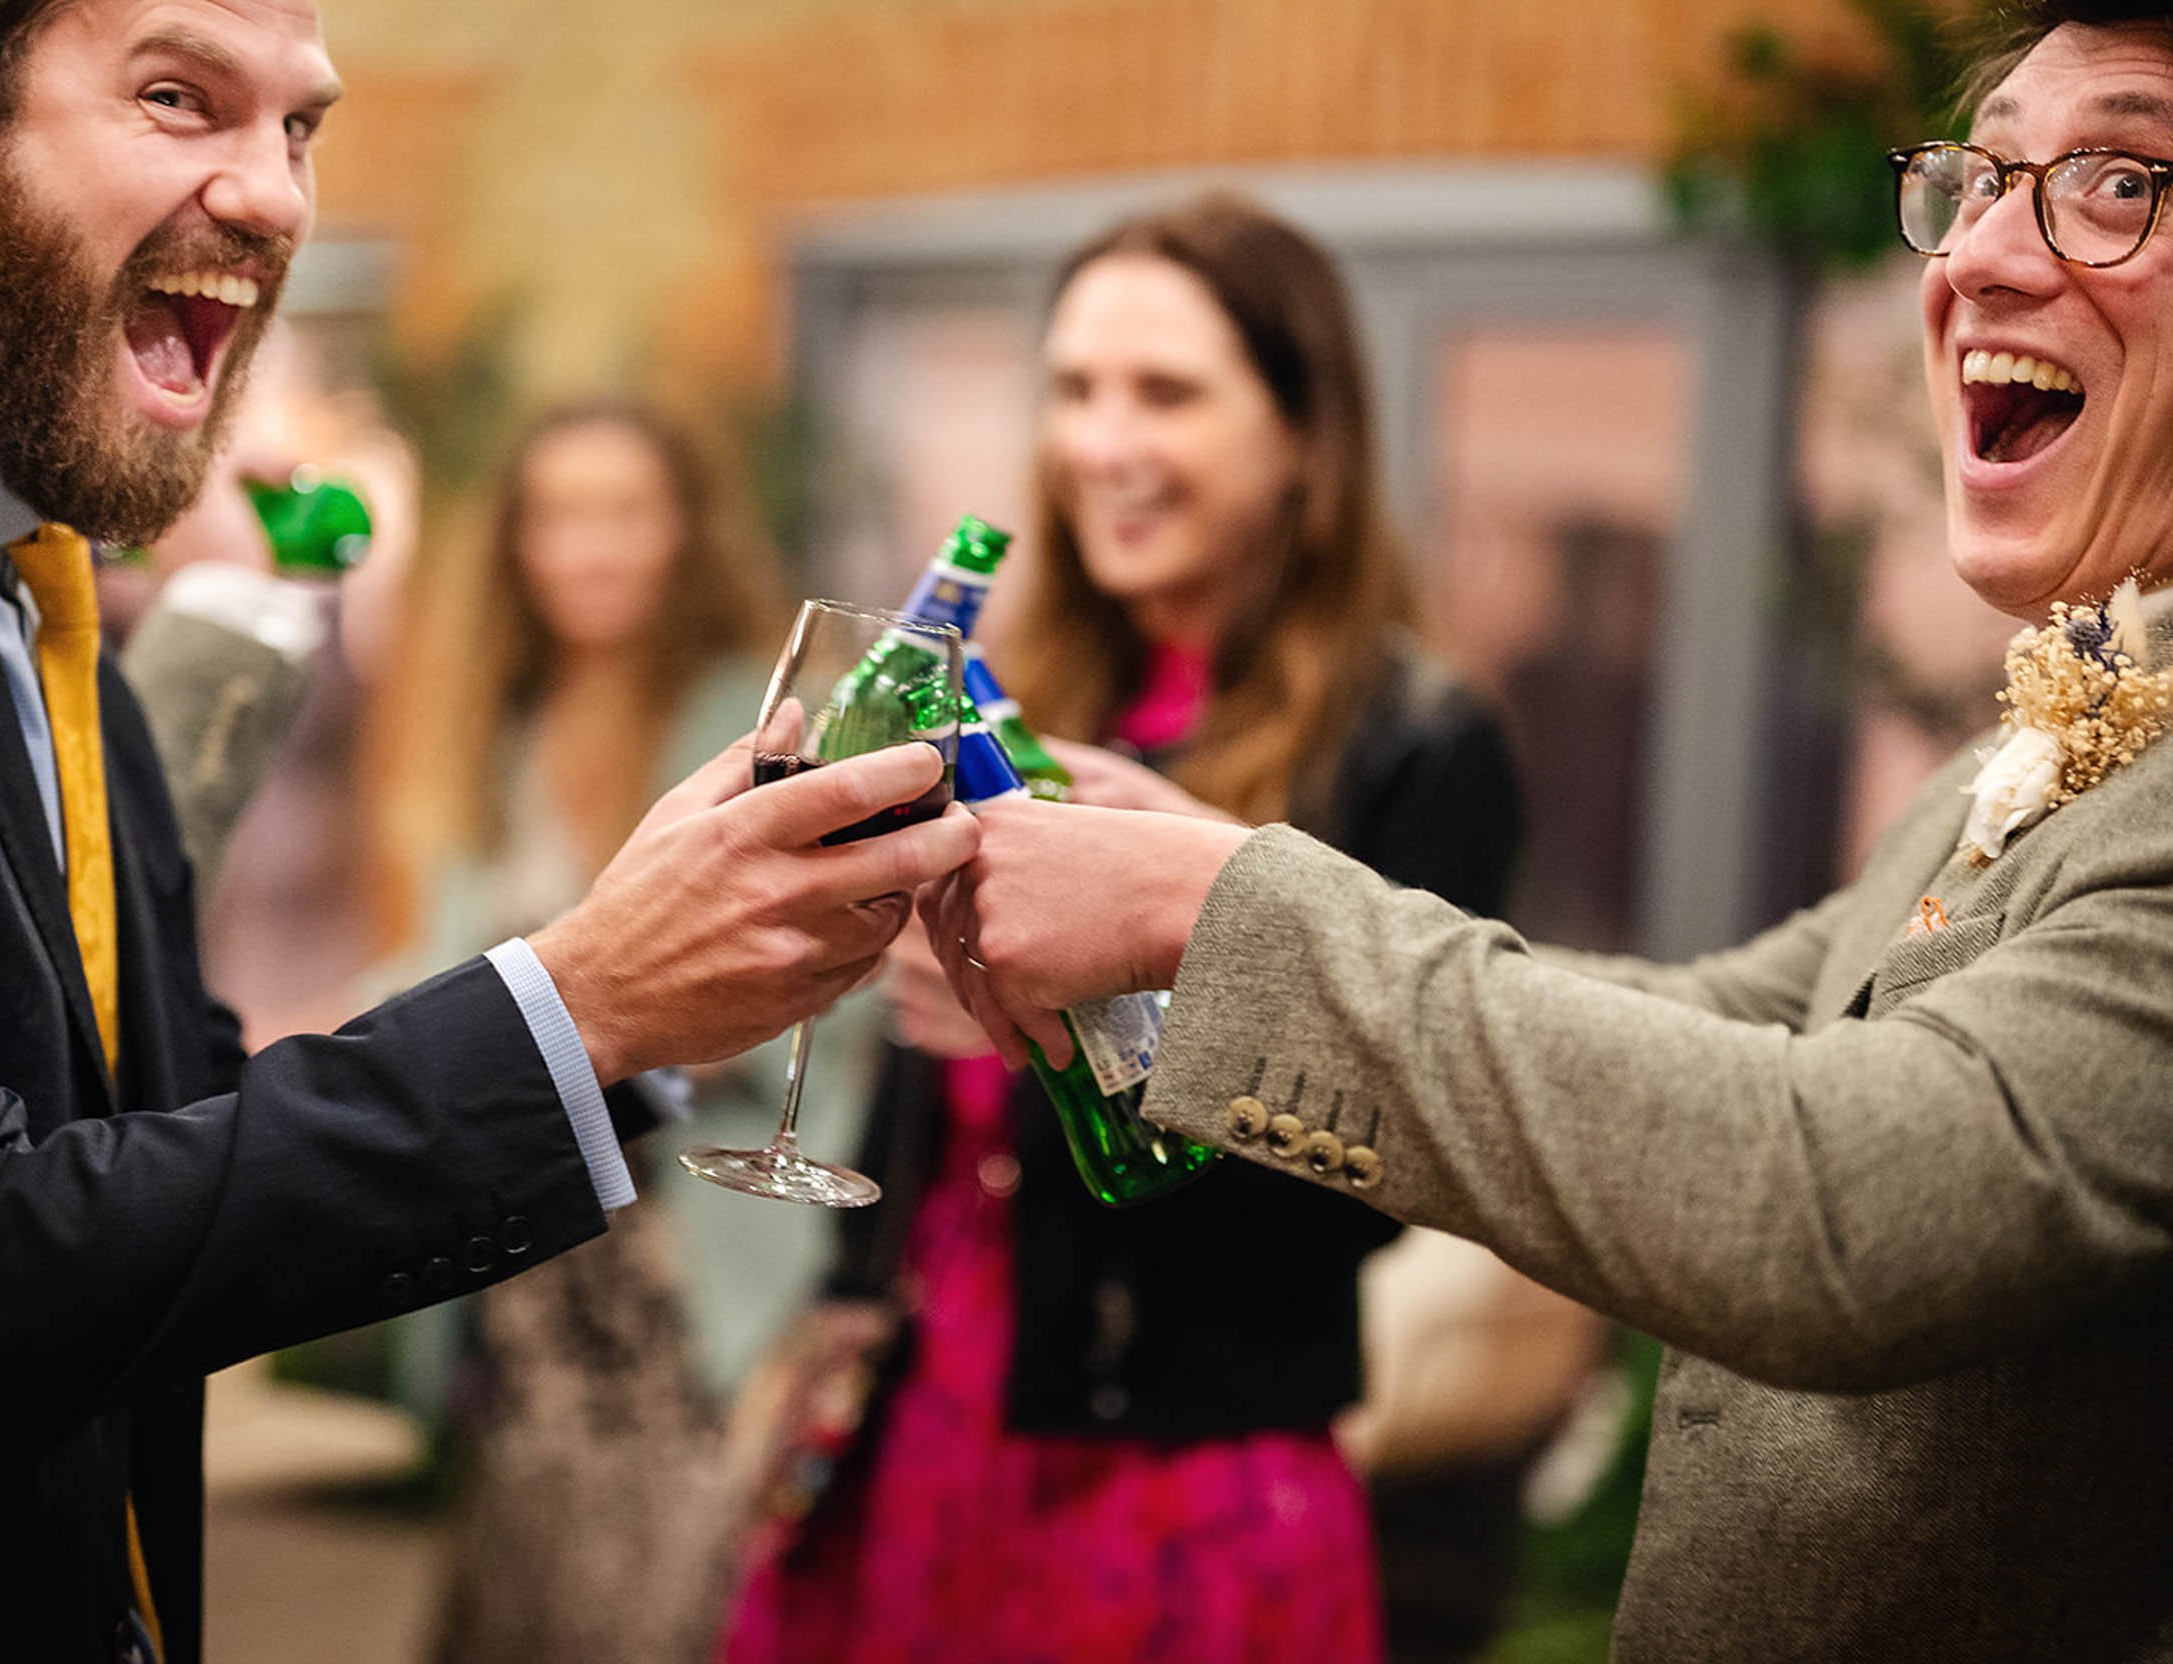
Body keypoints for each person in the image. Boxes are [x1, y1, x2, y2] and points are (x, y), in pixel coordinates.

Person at [0, 2, 975, 1659]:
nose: (281, 196)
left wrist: (649, 1019)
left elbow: (170, 1131)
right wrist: (580, 1007)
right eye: (177, 97)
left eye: (300, 128)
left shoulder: (31, 584)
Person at [927, 6, 2173, 1660]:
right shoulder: (2026, 751)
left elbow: (1840, 1195)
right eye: (1986, 174)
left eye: (2116, 180)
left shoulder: (1427, 728)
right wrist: (1194, 890)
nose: (1984, 257)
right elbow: (1725, 1018)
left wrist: (1225, 902)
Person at [721, 195, 1525, 1663]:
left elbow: (1376, 1184)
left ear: (1301, 437)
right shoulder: (1023, 690)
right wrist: (843, 1297)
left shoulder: (1419, 745)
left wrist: (1070, 1022)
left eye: (1167, 393)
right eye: (1077, 389)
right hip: (921, 1424)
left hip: (1178, 1477)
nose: (1103, 442)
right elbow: (921, 1091)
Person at [409, 402, 783, 1664]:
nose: (592, 548)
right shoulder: (499, 728)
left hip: (690, 1272)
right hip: (529, 1264)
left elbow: (824, 1011)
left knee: (668, 1609)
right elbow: (450, 967)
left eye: (624, 510)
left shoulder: (754, 722)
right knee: (529, 1599)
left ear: (684, 528)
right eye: (559, 514)